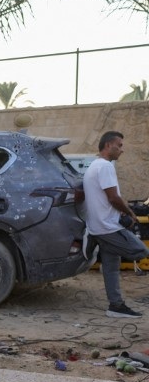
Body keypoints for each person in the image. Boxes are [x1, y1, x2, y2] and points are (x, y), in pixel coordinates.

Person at [84, 131, 146, 317]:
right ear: (108, 145)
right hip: (107, 228)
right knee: (141, 251)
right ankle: (95, 242)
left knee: (111, 267)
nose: (122, 150)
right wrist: (130, 213)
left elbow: (107, 198)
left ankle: (115, 306)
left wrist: (120, 212)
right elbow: (113, 198)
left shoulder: (94, 165)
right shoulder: (105, 166)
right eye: (119, 145)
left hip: (100, 225)